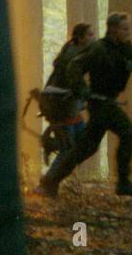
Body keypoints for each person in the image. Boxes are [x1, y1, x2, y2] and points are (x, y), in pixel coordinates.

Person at [37, 12, 132, 198]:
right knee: (129, 133)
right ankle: (123, 183)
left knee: (86, 148)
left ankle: (50, 182)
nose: (128, 32)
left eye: (128, 28)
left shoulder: (125, 47)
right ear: (113, 29)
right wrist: (81, 89)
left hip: (108, 102)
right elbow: (74, 66)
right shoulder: (99, 48)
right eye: (124, 28)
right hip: (100, 103)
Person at [40, 23, 95, 168]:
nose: (93, 38)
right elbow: (74, 82)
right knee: (67, 151)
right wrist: (87, 94)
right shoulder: (74, 55)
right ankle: (47, 183)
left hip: (71, 105)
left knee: (84, 144)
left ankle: (53, 146)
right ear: (80, 37)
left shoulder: (74, 49)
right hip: (62, 105)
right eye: (89, 35)